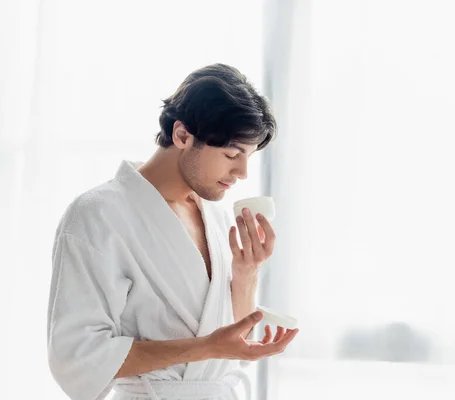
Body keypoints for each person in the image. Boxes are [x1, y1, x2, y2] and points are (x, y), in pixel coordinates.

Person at [46, 63, 299, 400]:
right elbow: (77, 356)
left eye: (249, 156)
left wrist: (246, 272)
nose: (242, 172)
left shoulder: (219, 218)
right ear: (182, 135)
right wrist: (206, 347)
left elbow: (232, 345)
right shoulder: (97, 215)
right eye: (231, 154)